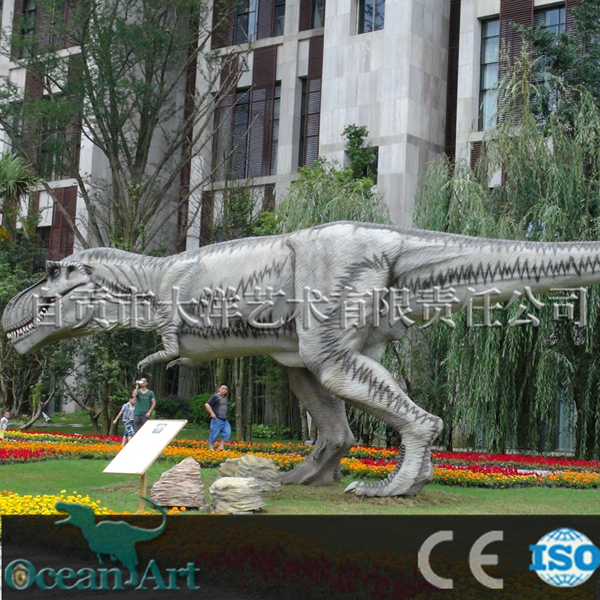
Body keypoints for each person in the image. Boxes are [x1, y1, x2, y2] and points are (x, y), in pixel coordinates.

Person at [205, 384, 231, 450]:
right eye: (222, 388)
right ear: (219, 389)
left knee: (227, 432)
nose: (224, 390)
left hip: (224, 420)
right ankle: (211, 449)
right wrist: (212, 413)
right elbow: (207, 405)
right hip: (217, 419)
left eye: (225, 389)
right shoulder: (215, 397)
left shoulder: (225, 398)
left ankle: (221, 446)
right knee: (214, 434)